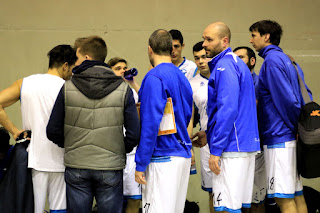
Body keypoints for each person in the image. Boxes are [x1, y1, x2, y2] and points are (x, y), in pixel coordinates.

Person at [46, 35, 140, 213]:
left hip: (77, 165)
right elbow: (134, 133)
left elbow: (52, 130)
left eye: (77, 57)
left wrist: (72, 146)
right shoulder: (123, 89)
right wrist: (119, 149)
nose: (74, 61)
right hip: (110, 166)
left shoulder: (67, 87)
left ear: (86, 57)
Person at [0, 44, 77, 213]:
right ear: (65, 65)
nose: (72, 73)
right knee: (59, 210)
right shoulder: (70, 88)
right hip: (62, 158)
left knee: (33, 209)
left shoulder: (25, 83)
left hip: (33, 159)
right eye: (72, 68)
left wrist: (14, 131)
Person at [249, 20, 310, 213]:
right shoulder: (288, 59)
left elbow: (289, 101)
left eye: (254, 35)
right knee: (296, 195)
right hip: (288, 138)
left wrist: (295, 129)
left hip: (280, 138)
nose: (251, 40)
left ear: (266, 37)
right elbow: (305, 94)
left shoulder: (272, 61)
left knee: (283, 199)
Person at [202, 22, 260, 213]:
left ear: (224, 41)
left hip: (231, 148)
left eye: (209, 40)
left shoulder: (224, 66)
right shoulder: (235, 63)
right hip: (243, 145)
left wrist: (216, 149)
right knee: (237, 208)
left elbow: (227, 110)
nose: (204, 44)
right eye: (204, 39)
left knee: (226, 209)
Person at [135, 29, 193, 213]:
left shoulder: (154, 77)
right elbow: (188, 114)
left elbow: (150, 123)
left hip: (163, 156)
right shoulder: (182, 76)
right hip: (182, 154)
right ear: (171, 49)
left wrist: (141, 162)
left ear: (150, 49)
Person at [234, 46, 266, 213]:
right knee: (238, 198)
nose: (237, 62)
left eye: (241, 58)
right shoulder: (233, 82)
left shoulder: (259, 83)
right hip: (237, 147)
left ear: (252, 61)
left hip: (256, 145)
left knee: (256, 196)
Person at [107, 57, 141, 213]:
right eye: (118, 68)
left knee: (135, 198)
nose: (123, 70)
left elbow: (148, 100)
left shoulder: (131, 91)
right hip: (112, 152)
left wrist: (133, 82)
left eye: (124, 67)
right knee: (112, 200)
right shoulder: (104, 92)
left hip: (132, 152)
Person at [189, 41, 213, 213]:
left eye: (204, 57)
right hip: (206, 143)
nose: (201, 61)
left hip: (229, 140)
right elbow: (189, 119)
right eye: (197, 58)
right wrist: (189, 146)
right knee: (213, 193)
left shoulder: (225, 76)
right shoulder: (192, 84)